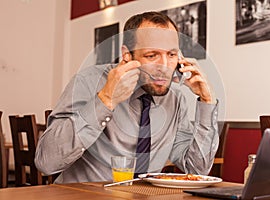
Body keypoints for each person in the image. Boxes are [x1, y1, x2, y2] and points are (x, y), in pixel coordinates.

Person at [35, 11, 219, 183]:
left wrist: (206, 102)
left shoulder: (176, 100)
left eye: (171, 54)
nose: (164, 66)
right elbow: (46, 162)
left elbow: (196, 169)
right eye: (152, 55)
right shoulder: (87, 82)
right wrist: (105, 100)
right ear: (127, 55)